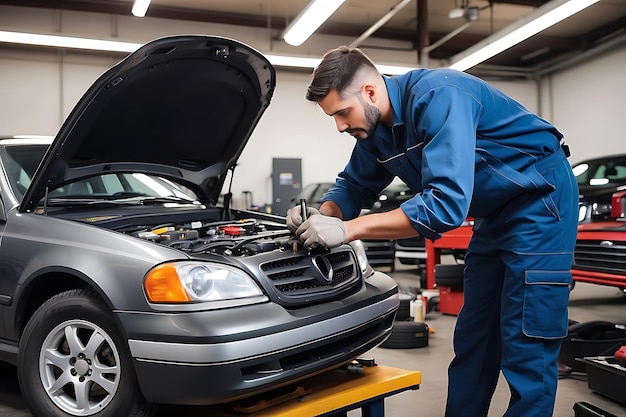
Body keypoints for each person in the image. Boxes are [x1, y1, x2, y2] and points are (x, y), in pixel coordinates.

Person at [287, 45, 578, 417]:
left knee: (527, 343)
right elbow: (355, 185)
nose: (340, 125)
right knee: (475, 335)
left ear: (371, 92)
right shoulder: (375, 129)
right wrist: (321, 215)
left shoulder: (439, 96)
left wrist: (347, 229)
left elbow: (444, 206)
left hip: (541, 201)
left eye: (343, 112)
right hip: (494, 214)